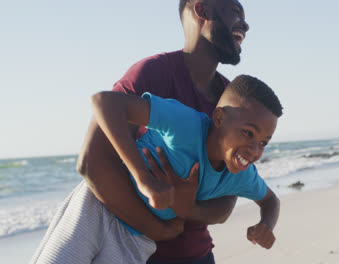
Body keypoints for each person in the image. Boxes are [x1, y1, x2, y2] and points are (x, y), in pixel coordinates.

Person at [31, 75, 281, 264]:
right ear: (219, 118)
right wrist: (143, 178)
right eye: (248, 133)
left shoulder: (240, 175)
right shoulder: (186, 124)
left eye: (263, 143)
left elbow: (270, 200)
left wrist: (266, 224)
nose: (254, 150)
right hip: (97, 208)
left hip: (138, 241)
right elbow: (104, 102)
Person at [79, 0, 251, 263]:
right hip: (134, 254)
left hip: (199, 255)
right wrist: (157, 225)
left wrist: (186, 207)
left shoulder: (231, 100)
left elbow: (226, 203)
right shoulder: (152, 74)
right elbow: (93, 162)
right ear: (202, 10)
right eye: (236, 13)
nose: (245, 24)